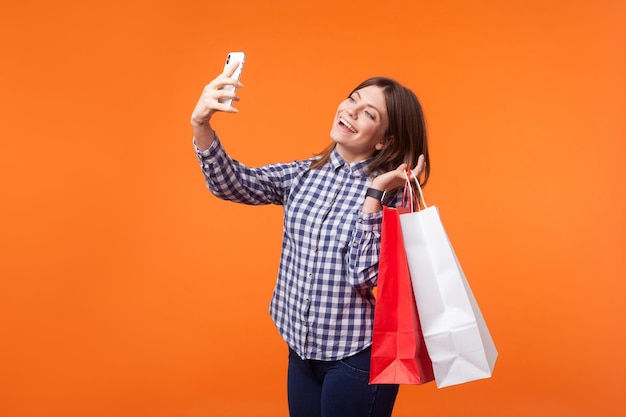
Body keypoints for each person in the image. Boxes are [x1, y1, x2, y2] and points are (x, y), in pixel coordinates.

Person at [190, 60, 430, 417]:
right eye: (352, 98)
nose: (350, 111)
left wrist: (375, 191)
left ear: (385, 140)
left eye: (369, 114)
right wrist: (201, 124)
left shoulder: (392, 195)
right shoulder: (303, 174)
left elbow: (363, 276)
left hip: (356, 358)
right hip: (301, 353)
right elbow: (233, 183)